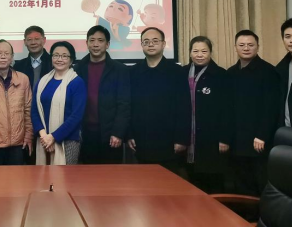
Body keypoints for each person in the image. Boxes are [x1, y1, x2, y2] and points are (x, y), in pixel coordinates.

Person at [128, 27, 190, 174]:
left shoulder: (177, 72)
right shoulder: (133, 72)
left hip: (169, 142)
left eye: (155, 41)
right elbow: (128, 106)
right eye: (146, 41)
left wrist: (182, 139)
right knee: (144, 183)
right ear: (141, 45)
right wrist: (129, 134)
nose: (150, 44)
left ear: (163, 44)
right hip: (141, 140)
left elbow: (184, 107)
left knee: (168, 184)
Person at [228, 30, 281, 197]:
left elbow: (272, 107)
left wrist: (262, 135)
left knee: (261, 183)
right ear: (235, 47)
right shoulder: (231, 72)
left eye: (250, 45)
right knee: (240, 184)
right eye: (242, 45)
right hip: (236, 140)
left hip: (258, 141)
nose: (246, 48)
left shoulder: (268, 71)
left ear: (258, 47)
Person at [183, 36, 232, 194]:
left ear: (210, 52)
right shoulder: (181, 73)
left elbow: (227, 109)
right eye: (195, 51)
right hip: (187, 138)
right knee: (191, 183)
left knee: (213, 183)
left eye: (204, 51)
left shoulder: (221, 75)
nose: (199, 55)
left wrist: (224, 138)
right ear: (190, 53)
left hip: (212, 138)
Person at [75, 26, 130, 164]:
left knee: (111, 175)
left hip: (110, 135)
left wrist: (118, 133)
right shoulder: (78, 69)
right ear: (87, 43)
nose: (95, 44)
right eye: (92, 40)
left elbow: (124, 104)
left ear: (107, 44)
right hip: (85, 134)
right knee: (87, 174)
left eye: (100, 40)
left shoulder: (120, 70)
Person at [32, 42, 87, 165]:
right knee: (43, 176)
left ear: (71, 60)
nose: (59, 59)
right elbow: (34, 110)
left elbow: (76, 116)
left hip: (68, 141)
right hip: (43, 140)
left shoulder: (77, 82)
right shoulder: (43, 82)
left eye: (64, 56)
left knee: (65, 176)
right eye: (56, 55)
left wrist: (53, 137)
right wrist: (44, 136)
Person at [14, 26, 53, 91]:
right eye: (29, 39)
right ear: (25, 42)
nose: (33, 42)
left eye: (37, 39)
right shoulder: (18, 66)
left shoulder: (53, 63)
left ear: (44, 40)